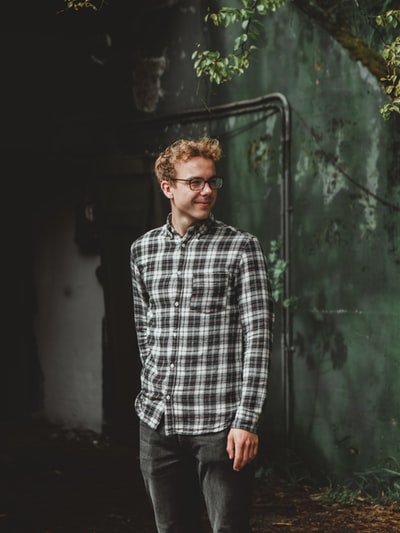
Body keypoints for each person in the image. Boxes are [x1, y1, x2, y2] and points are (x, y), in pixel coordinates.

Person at [130, 136, 274, 533]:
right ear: (168, 187)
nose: (207, 190)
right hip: (157, 422)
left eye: (212, 181)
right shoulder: (142, 251)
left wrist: (246, 420)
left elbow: (258, 339)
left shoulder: (241, 248)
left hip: (219, 424)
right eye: (194, 182)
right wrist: (154, 387)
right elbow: (145, 331)